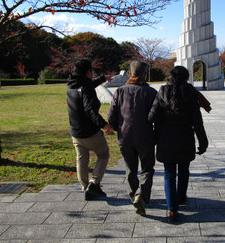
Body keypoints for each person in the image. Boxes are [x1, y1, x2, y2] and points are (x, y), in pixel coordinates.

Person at [149, 66, 208, 222]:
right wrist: (203, 141)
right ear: (187, 77)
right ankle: (181, 197)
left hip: (166, 138)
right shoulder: (190, 92)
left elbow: (152, 116)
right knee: (183, 170)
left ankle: (172, 209)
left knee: (169, 174)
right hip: (185, 138)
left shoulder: (162, 91)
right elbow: (197, 121)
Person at [107, 61, 157, 216]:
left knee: (130, 169)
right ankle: (142, 195)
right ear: (145, 74)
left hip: (125, 136)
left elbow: (111, 116)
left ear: (130, 73)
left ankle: (134, 194)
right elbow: (156, 116)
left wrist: (117, 128)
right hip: (145, 136)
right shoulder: (151, 92)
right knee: (147, 168)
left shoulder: (120, 91)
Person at [67, 59, 115, 200]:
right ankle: (94, 184)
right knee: (104, 154)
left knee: (81, 159)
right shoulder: (86, 88)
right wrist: (104, 125)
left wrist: (102, 79)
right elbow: (90, 110)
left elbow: (88, 85)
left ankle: (85, 186)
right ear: (88, 72)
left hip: (75, 132)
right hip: (89, 132)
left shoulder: (72, 85)